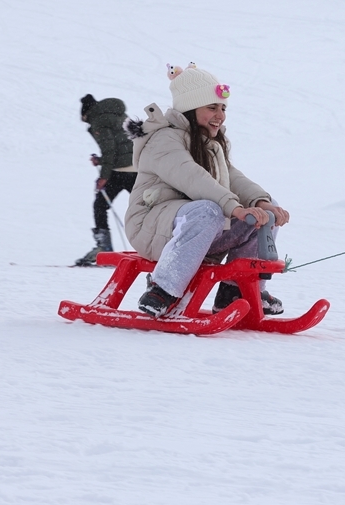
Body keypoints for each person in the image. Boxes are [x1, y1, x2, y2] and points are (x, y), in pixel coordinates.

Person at [124, 63, 290, 317]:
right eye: (212, 107)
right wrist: (234, 207)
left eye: (223, 108)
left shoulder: (209, 143)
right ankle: (163, 288)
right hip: (152, 228)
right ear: (191, 108)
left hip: (200, 228)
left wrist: (260, 202)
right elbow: (193, 178)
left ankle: (237, 291)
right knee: (208, 210)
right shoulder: (164, 140)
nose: (220, 115)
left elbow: (231, 177)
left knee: (263, 213)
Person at [75, 94, 137, 266]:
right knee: (148, 207)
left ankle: (103, 247)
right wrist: (101, 161)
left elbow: (110, 150)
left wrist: (103, 177)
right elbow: (122, 148)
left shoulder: (99, 120)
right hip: (137, 168)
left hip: (121, 172)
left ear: (87, 113)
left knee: (100, 205)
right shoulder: (118, 114)